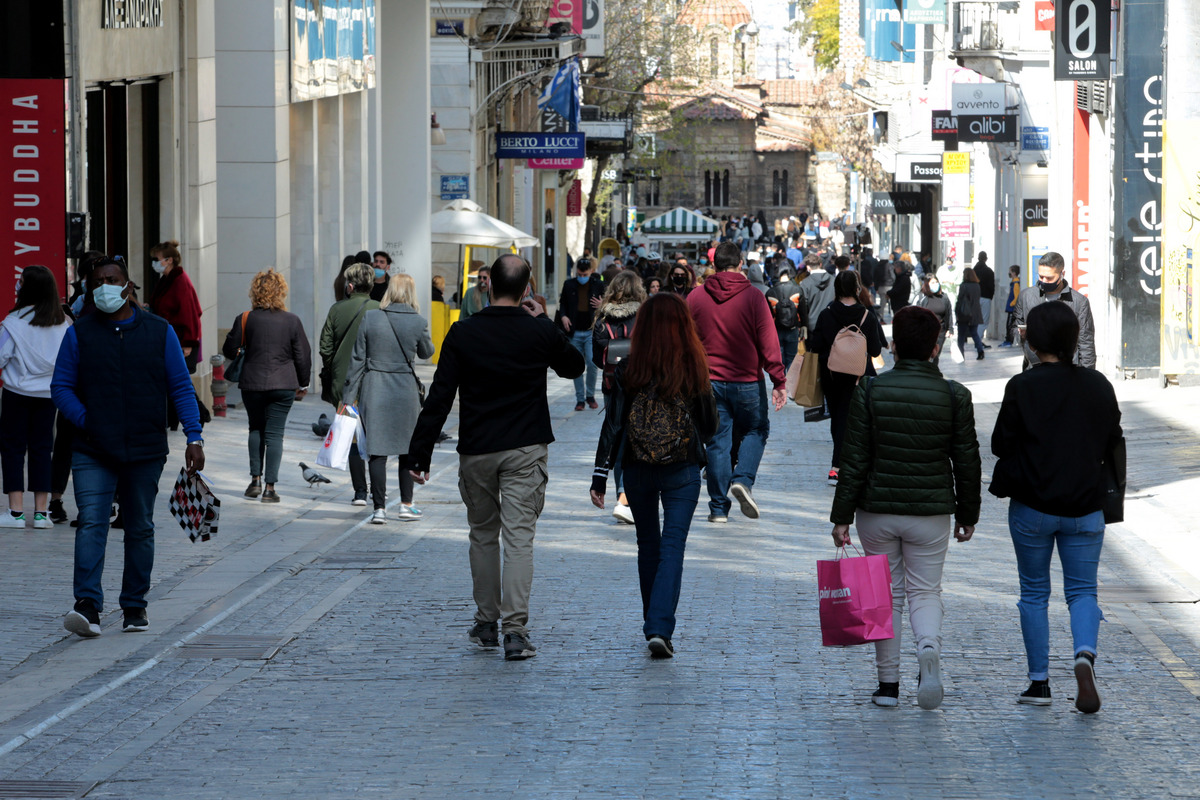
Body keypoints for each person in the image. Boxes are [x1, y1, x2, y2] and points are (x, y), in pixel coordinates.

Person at [407, 254, 584, 661]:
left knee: (483, 535)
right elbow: (574, 367)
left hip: (477, 449)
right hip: (524, 447)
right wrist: (544, 320)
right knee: (519, 539)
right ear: (525, 290)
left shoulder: (463, 332)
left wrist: (420, 454)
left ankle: (487, 621)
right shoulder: (537, 331)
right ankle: (515, 631)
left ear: (487, 285)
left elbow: (439, 397)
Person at [829, 305, 981, 710]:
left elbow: (854, 457)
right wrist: (968, 513)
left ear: (894, 347)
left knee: (887, 597)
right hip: (930, 512)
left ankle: (888, 686)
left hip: (876, 510)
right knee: (926, 591)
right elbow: (966, 460)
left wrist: (841, 516)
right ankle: (928, 647)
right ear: (936, 348)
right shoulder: (954, 395)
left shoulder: (871, 390)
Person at [53, 257, 204, 638]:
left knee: (139, 527)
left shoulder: (159, 332)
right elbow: (61, 387)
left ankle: (134, 605)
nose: (105, 285)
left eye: (112, 279)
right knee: (91, 522)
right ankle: (87, 605)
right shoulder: (80, 334)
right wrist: (89, 421)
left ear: (127, 286)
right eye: (98, 280)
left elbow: (181, 387)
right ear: (90, 287)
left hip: (145, 447)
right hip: (92, 448)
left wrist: (194, 435)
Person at [989, 301, 1121, 713]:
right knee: (1083, 591)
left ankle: (1039, 683)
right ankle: (1084, 655)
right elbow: (1111, 436)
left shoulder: (1022, 386)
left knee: (1034, 592)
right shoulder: (1098, 385)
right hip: (1086, 507)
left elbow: (999, 445)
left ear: (1034, 341)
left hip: (1033, 506)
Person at [590, 293, 718, 658]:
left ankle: (654, 623)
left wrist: (600, 476)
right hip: (682, 469)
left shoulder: (629, 366)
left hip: (637, 468)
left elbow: (614, 424)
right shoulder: (694, 366)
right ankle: (660, 627)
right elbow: (710, 426)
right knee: (672, 546)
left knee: (648, 545)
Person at [688, 242, 787, 522]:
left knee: (717, 442)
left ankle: (718, 509)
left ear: (714, 265)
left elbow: (685, 338)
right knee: (756, 429)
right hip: (747, 380)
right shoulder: (754, 297)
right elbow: (769, 342)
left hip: (709, 381)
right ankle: (742, 479)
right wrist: (778, 379)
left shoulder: (696, 297)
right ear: (740, 264)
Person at [344, 273, 434, 524]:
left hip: (375, 388)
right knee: (407, 450)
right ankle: (406, 504)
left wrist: (348, 397)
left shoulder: (371, 317)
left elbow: (357, 359)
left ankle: (379, 509)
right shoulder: (418, 321)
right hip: (405, 389)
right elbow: (427, 353)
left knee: (377, 450)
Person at [223, 269, 311, 503]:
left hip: (252, 383)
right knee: (275, 434)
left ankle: (255, 480)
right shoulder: (292, 320)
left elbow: (229, 350)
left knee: (255, 428)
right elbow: (302, 355)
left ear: (255, 291)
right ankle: (270, 489)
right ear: (281, 291)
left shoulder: (245, 318)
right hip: (283, 384)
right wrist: (304, 381)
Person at [0, 265, 72, 529]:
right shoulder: (62, 323)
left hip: (16, 394)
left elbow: (1, 356)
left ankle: (16, 512)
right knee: (43, 449)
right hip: (49, 395)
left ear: (26, 288)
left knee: (12, 449)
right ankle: (42, 514)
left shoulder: (13, 323)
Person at [808, 271, 887, 485]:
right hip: (860, 376)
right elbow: (874, 348)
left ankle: (837, 467)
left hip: (832, 375)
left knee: (838, 418)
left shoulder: (827, 314)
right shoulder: (866, 316)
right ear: (857, 288)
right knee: (859, 420)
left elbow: (815, 346)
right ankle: (850, 465)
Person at [319, 263, 380, 505]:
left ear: (350, 286)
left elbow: (325, 347)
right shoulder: (379, 309)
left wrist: (336, 365)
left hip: (343, 385)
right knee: (374, 436)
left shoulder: (336, 310)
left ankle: (360, 492)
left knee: (351, 435)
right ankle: (378, 489)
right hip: (374, 383)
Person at [592, 270, 646, 525]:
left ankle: (622, 495)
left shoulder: (602, 319)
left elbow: (596, 358)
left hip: (612, 384)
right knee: (635, 439)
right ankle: (627, 498)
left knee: (616, 435)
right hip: (640, 385)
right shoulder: (645, 318)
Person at [1014, 251, 1096, 369]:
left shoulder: (1079, 302)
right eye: (1041, 276)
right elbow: (1014, 328)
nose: (1044, 281)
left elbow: (1086, 343)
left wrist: (1088, 377)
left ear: (1062, 274)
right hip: (1035, 369)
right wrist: (1021, 335)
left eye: (1049, 278)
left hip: (1068, 371)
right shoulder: (1026, 296)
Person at [556, 257, 604, 411]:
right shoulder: (569, 284)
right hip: (574, 331)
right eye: (579, 274)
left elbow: (610, 303)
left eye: (585, 274)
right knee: (576, 365)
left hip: (591, 330)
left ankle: (590, 395)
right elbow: (562, 303)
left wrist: (603, 305)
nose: (582, 277)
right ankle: (580, 399)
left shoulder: (598, 285)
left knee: (592, 363)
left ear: (591, 271)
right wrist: (563, 316)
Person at [148, 240, 203, 373]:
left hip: (181, 340)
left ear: (169, 260)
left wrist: (188, 343)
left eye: (157, 259)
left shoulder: (180, 282)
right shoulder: (167, 280)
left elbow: (189, 313)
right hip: (170, 337)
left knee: (179, 379)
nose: (154, 262)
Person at [765, 263, 807, 370]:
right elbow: (803, 311)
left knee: (780, 360)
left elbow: (768, 315)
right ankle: (790, 384)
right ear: (789, 273)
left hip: (776, 330)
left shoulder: (770, 292)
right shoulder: (798, 290)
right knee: (791, 360)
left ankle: (781, 383)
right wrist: (804, 326)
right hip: (793, 329)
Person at [917, 275, 952, 369]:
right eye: (932, 282)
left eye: (936, 282)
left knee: (936, 353)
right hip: (925, 330)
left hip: (940, 330)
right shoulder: (922, 297)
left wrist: (950, 329)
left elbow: (949, 313)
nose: (935, 284)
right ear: (927, 284)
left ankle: (933, 371)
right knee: (927, 352)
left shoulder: (944, 297)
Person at [955, 268, 985, 361]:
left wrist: (957, 311)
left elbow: (960, 300)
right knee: (974, 333)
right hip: (975, 313)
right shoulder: (977, 286)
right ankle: (980, 351)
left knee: (961, 336)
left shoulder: (964, 286)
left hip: (964, 313)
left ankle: (961, 354)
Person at [973, 251, 995, 346]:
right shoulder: (989, 271)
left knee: (976, 319)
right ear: (986, 259)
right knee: (984, 320)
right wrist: (990, 296)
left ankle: (977, 339)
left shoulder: (973, 271)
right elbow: (991, 286)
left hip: (975, 297)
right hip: (986, 297)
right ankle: (978, 340)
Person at [1000, 265, 1020, 347]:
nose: (1009, 273)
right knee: (1008, 324)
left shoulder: (1015, 284)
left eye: (1010, 272)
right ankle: (1007, 339)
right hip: (1010, 308)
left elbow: (1016, 297)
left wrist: (1011, 303)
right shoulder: (1013, 283)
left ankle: (1009, 341)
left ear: (1014, 273)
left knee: (1009, 325)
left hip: (1012, 308)